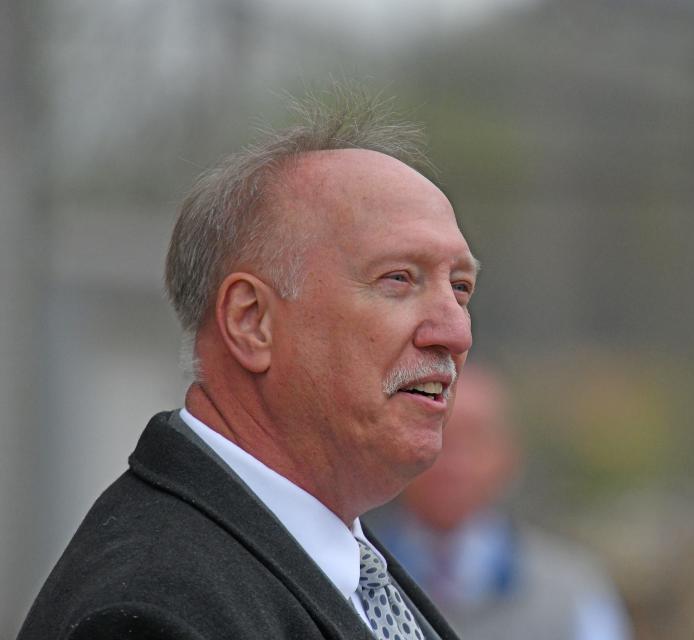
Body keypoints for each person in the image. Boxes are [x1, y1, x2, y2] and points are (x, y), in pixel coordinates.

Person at [18, 91, 478, 640]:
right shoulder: (150, 613)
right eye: (399, 279)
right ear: (250, 321)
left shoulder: (337, 568)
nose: (455, 331)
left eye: (460, 288)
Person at [372, 365, 635, 640]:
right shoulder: (358, 572)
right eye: (436, 433)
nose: (452, 463)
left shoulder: (572, 588)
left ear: (508, 454)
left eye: (473, 441)